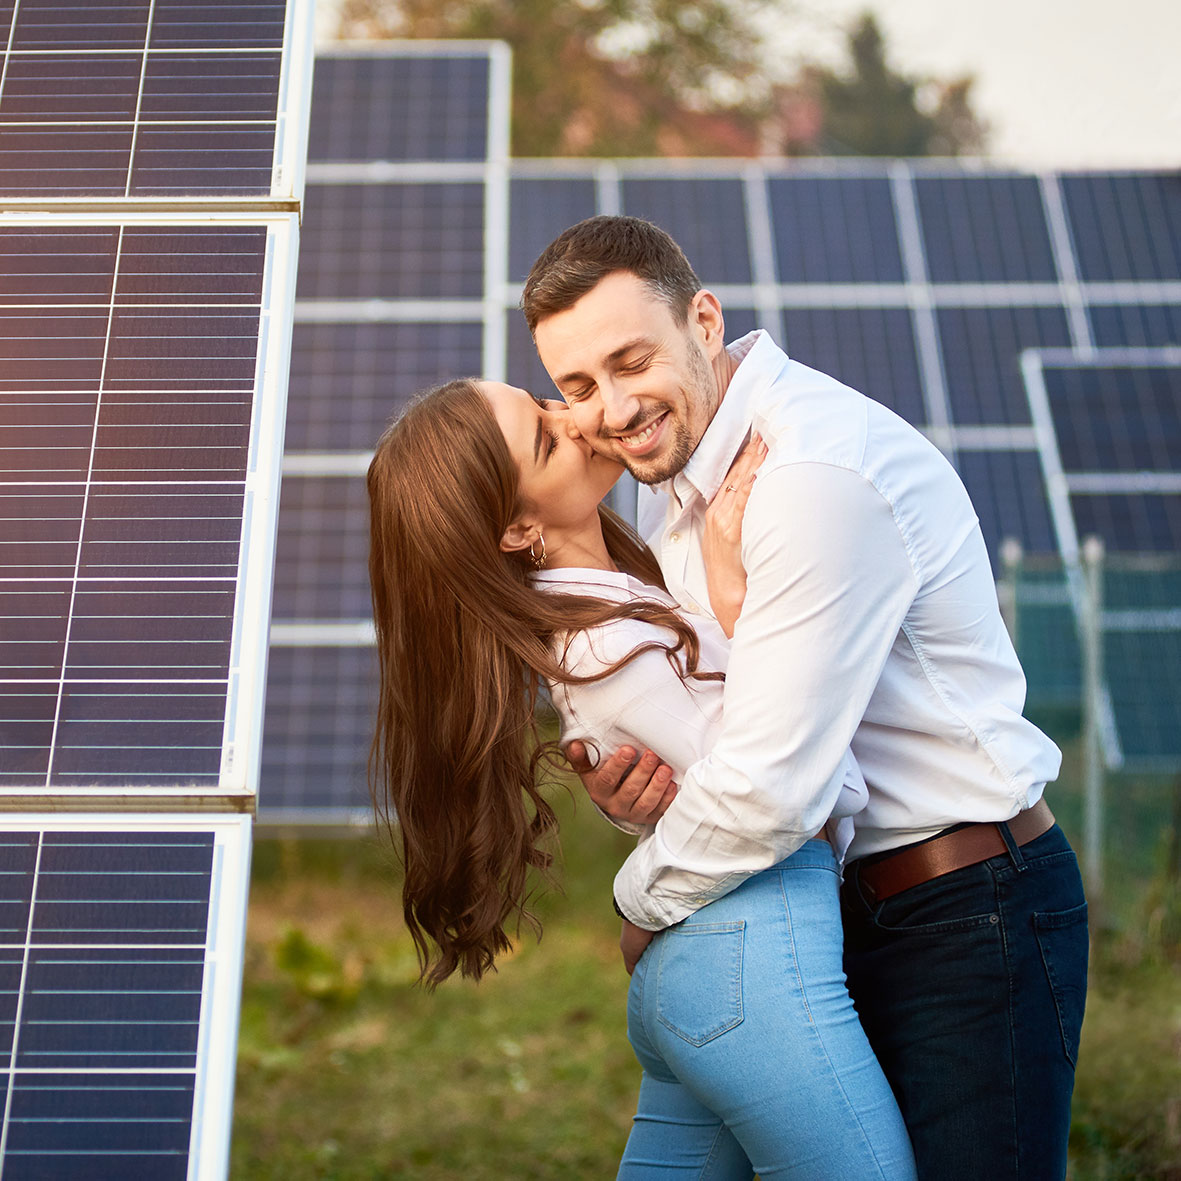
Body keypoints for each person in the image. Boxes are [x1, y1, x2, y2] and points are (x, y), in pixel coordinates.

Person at [520, 215, 1089, 1181]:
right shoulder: (685, 475)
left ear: (703, 321)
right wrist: (650, 792)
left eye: (630, 361)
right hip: (823, 899)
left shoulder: (808, 476)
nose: (610, 409)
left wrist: (643, 894)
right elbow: (735, 736)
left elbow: (775, 785)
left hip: (960, 910)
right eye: (579, 385)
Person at [367, 377, 917, 1179]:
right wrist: (738, 600)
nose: (576, 418)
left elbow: (689, 766)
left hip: (714, 964)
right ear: (519, 528)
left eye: (544, 401)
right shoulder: (604, 652)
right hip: (747, 965)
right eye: (547, 438)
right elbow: (779, 774)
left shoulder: (619, 605)